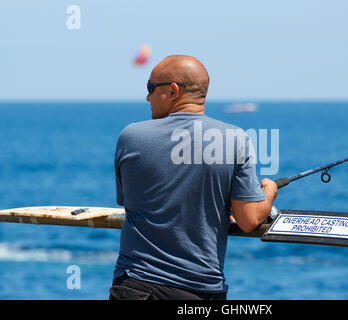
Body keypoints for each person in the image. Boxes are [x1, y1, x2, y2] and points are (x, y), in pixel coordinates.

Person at [109, 55, 278, 300]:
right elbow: (249, 220)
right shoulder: (235, 139)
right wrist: (269, 190)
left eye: (150, 88)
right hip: (201, 291)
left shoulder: (131, 136)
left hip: (137, 286)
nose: (147, 97)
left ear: (173, 90)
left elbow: (132, 200)